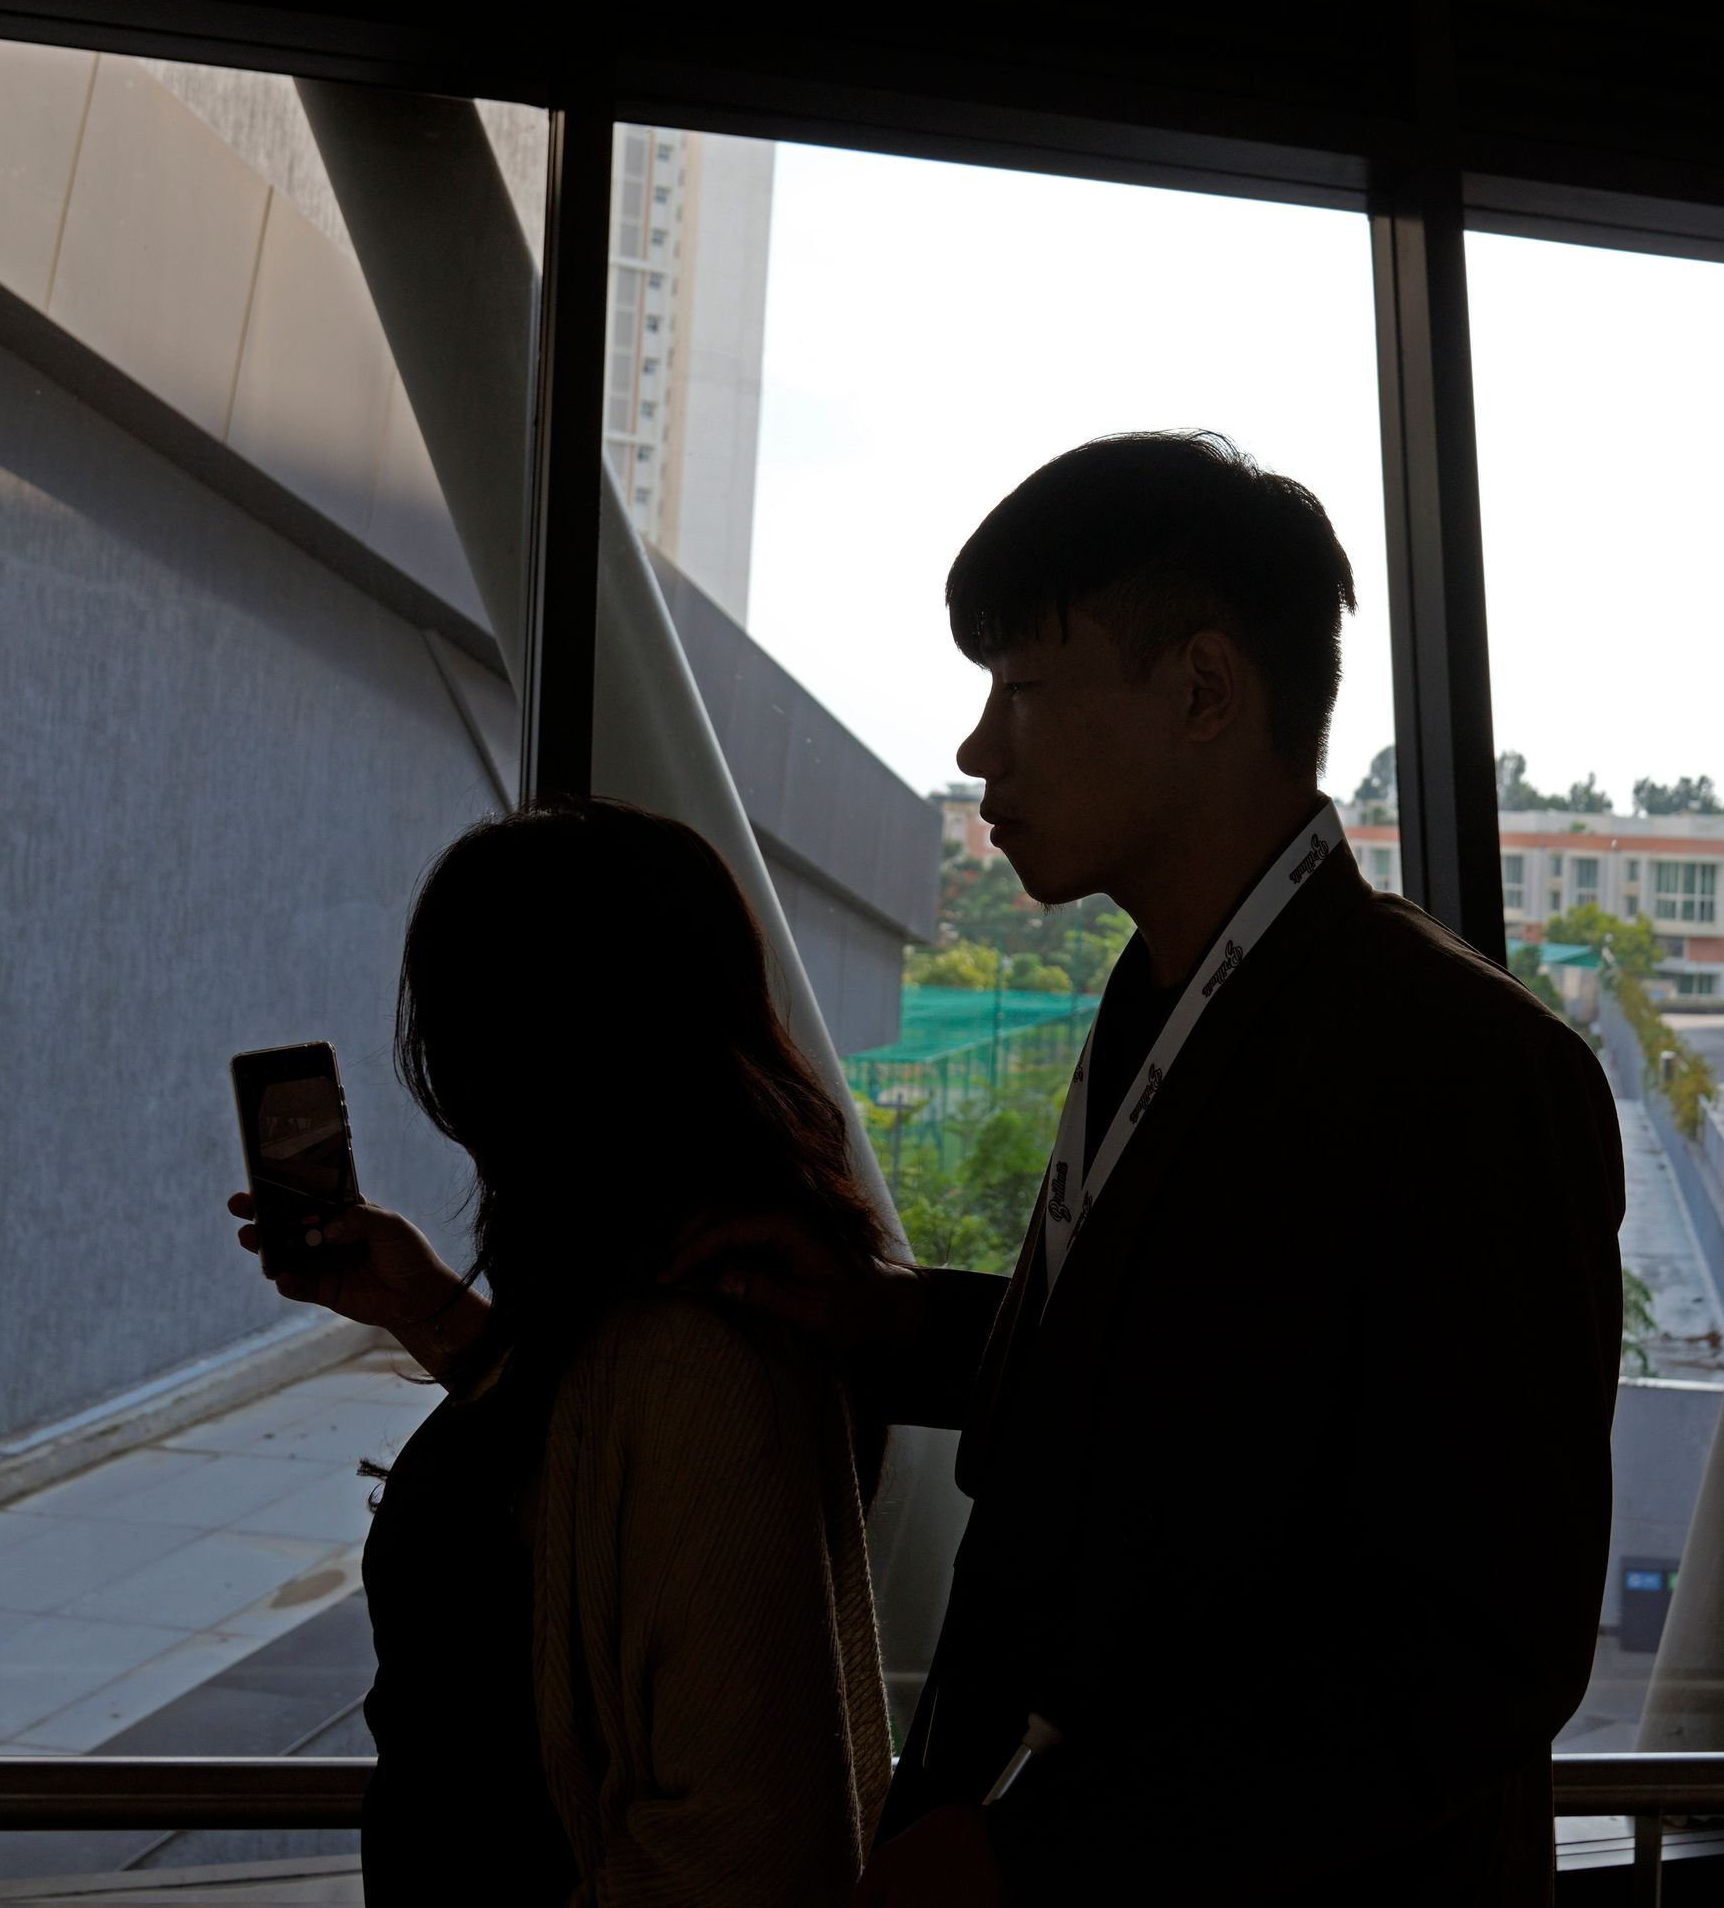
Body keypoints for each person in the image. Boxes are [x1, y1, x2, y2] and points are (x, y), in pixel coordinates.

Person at [718, 432, 1627, 1906]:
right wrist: (892, 1323)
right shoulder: (1170, 996)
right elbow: (1185, 1370)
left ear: (1204, 690)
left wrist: (1036, 1860)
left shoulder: (1468, 1070)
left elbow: (1476, 1651)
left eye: (1021, 687)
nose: (976, 747)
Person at [231, 799, 893, 1904]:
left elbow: (736, 1847)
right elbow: (583, 1482)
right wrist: (431, 1310)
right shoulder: (672, 1289)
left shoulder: (697, 1353)